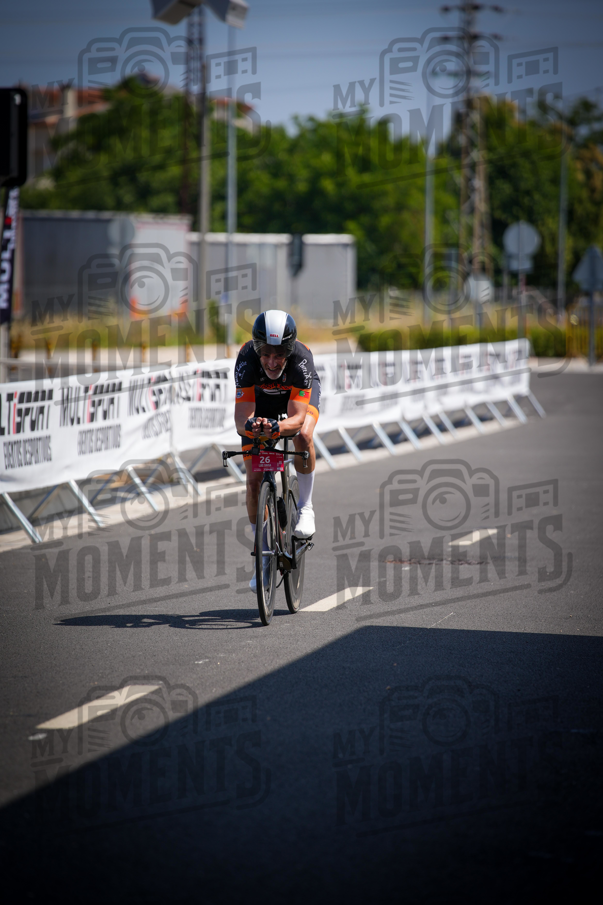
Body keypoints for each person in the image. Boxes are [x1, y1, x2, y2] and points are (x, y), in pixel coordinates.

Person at [234, 310, 320, 592]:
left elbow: (296, 418)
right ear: (257, 349)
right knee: (253, 481)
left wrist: (277, 427)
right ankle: (263, 559)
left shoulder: (301, 360)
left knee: (304, 434)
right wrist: (253, 427)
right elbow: (240, 419)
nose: (272, 362)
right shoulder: (246, 360)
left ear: (289, 350)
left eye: (279, 354)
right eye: (266, 354)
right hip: (262, 403)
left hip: (293, 399)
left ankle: (305, 507)